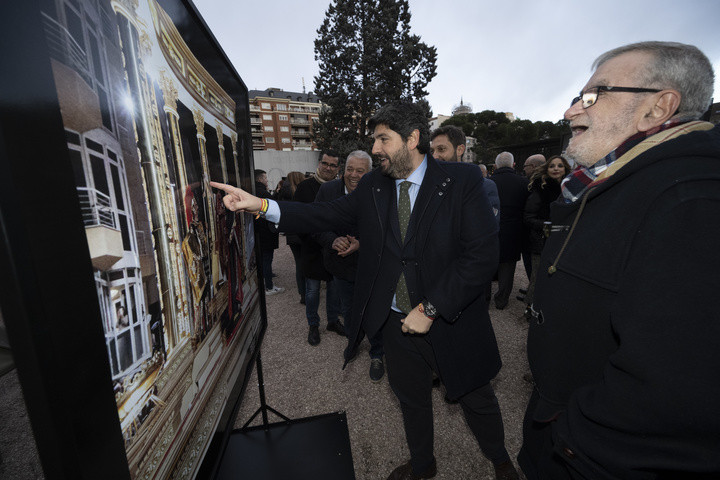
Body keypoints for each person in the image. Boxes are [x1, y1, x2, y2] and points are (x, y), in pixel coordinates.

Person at [211, 101, 519, 480]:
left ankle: (502, 462)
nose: (374, 149)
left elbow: (481, 258)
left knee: (477, 397)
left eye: (382, 139)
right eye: (374, 139)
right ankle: (423, 465)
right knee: (411, 400)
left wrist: (432, 308)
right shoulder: (375, 185)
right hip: (394, 321)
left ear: (412, 139)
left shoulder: (464, 181)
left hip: (449, 317)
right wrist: (259, 205)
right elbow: (327, 214)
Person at [518, 41, 720, 480]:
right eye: (576, 98)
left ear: (659, 107)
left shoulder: (692, 201)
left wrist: (576, 440)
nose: (571, 112)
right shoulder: (618, 181)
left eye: (593, 96)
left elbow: (678, 397)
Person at [313, 150, 385, 382]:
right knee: (349, 308)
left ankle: (377, 353)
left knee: (374, 309)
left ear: (370, 173)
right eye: (350, 169)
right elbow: (315, 223)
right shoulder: (327, 190)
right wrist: (332, 240)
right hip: (339, 264)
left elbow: (390, 230)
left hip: (373, 265)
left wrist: (362, 244)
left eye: (360, 171)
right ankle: (352, 343)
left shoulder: (382, 192)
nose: (353, 175)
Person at [293, 151, 345, 345]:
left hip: (335, 249)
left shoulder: (341, 188)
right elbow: (297, 216)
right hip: (313, 248)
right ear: (319, 163)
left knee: (334, 289)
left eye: (333, 165)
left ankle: (333, 321)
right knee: (312, 291)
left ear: (338, 168)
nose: (329, 168)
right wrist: (308, 238)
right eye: (325, 163)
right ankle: (313, 324)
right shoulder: (305, 187)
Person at [521, 155, 570, 312]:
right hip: (541, 240)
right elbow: (528, 218)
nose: (556, 168)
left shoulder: (572, 188)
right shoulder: (540, 188)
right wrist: (547, 224)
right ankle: (530, 309)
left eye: (560, 166)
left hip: (563, 240)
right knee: (537, 278)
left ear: (566, 169)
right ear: (547, 169)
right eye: (552, 166)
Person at [431, 126, 500, 222]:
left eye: (441, 149)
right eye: (432, 151)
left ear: (460, 150)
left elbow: (487, 228)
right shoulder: (430, 186)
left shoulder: (484, 186)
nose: (434, 156)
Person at [491, 152, 529, 310]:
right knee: (507, 268)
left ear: (495, 166)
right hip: (514, 231)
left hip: (491, 230)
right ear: (513, 165)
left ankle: (484, 298)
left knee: (486, 265)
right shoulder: (524, 182)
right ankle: (501, 300)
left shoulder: (488, 182)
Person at [277, 171, 308, 304]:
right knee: (308, 262)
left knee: (299, 263)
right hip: (304, 231)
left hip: (291, 232)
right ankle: (311, 292)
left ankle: (303, 293)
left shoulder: (283, 194)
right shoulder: (303, 193)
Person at [254, 170, 284, 295]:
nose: (267, 180)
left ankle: (261, 285)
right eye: (265, 178)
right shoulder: (264, 193)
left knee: (261, 259)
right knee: (267, 259)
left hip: (257, 232)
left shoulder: (253, 191)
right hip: (266, 231)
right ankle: (269, 287)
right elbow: (273, 211)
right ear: (260, 179)